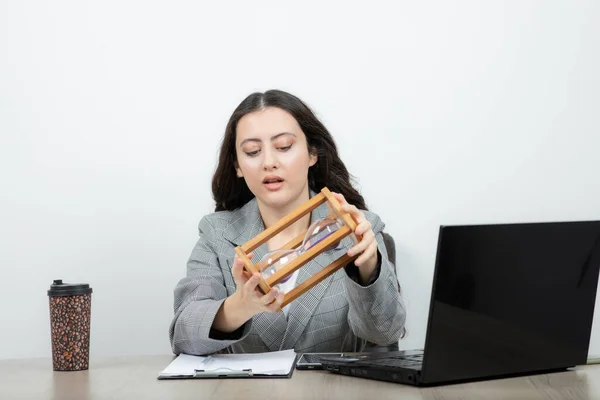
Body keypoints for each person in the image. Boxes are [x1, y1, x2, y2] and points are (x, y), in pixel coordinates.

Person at [169, 89, 406, 355]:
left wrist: (368, 268)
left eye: (284, 147)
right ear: (237, 166)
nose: (269, 162)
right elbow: (183, 337)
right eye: (252, 151)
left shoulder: (357, 227)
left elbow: (385, 333)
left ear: (312, 154)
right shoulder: (217, 234)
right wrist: (240, 306)